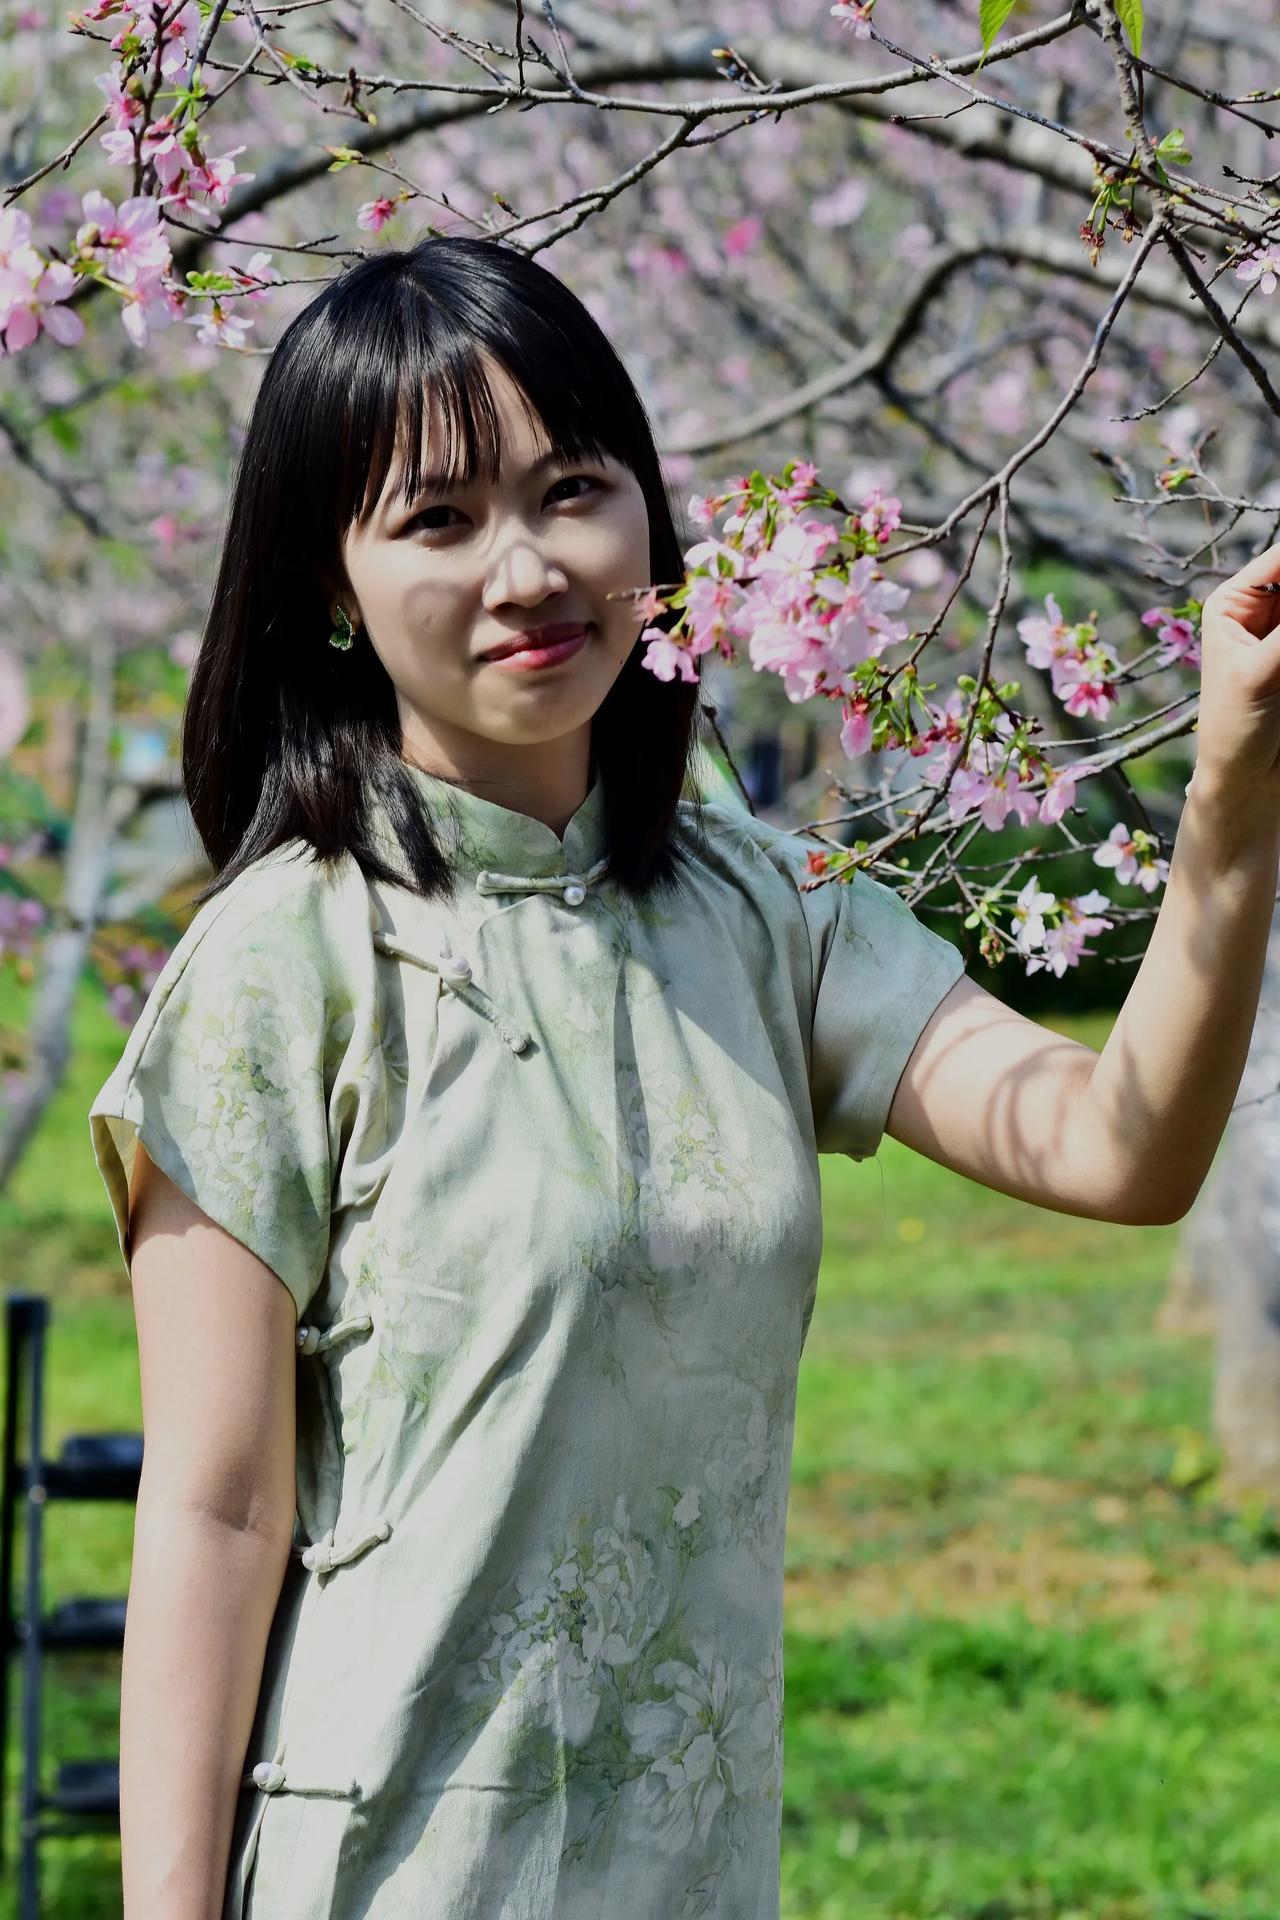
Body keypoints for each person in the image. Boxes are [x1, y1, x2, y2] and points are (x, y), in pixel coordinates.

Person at [88, 232, 1280, 1920]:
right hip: (394, 1870)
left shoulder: (760, 910)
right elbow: (213, 1514)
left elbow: (1116, 1147)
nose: (527, 568)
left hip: (694, 1865)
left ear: (649, 514)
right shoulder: (282, 971)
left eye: (571, 489)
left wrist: (1233, 786)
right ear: (329, 594)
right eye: (437, 519)